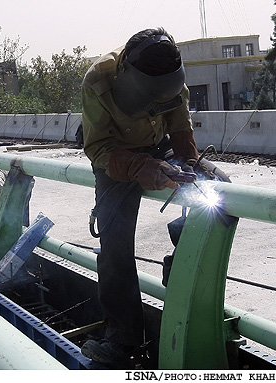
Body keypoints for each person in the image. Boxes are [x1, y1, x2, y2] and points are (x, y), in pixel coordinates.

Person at [80, 27, 200, 366]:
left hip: (159, 144)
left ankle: (182, 264)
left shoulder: (170, 77)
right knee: (115, 244)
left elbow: (180, 129)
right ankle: (122, 338)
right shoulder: (98, 81)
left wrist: (190, 166)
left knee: (213, 193)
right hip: (115, 155)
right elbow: (97, 148)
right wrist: (140, 167)